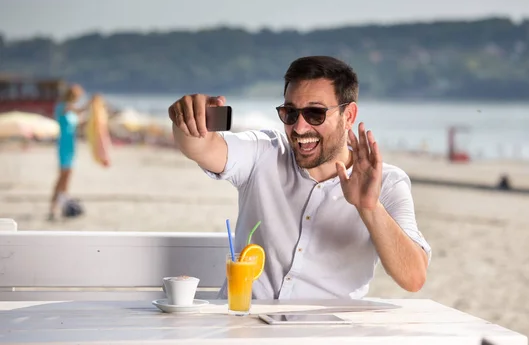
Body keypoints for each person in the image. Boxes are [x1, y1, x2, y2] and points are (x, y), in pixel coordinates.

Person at [168, 56, 431, 299]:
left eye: (315, 113)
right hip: (245, 328)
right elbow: (201, 148)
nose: (300, 127)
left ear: (348, 115)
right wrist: (188, 122)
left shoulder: (387, 182)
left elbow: (413, 278)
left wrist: (369, 208)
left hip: (324, 334)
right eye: (290, 113)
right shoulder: (264, 152)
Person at [48, 84, 88, 221]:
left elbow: (79, 117)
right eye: (77, 96)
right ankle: (53, 207)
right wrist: (89, 104)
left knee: (67, 176)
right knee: (62, 177)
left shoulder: (71, 110)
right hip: (63, 145)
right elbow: (74, 109)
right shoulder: (63, 107)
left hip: (72, 145)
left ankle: (63, 205)